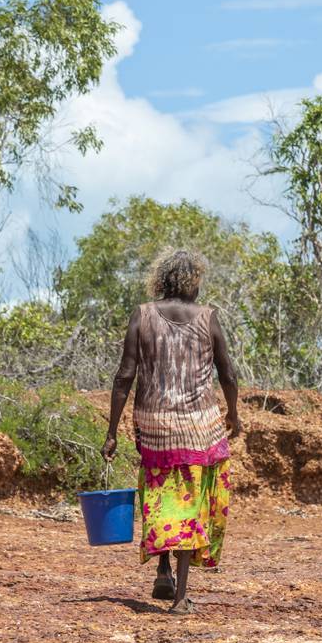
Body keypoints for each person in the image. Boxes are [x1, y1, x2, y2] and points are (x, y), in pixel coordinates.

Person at [102, 249, 240, 616]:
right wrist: (235, 414)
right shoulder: (208, 317)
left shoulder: (142, 315)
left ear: (162, 281)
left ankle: (163, 568)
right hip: (201, 426)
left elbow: (124, 376)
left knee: (162, 495)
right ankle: (180, 597)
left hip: (155, 424)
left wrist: (112, 431)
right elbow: (227, 373)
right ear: (193, 282)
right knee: (190, 503)